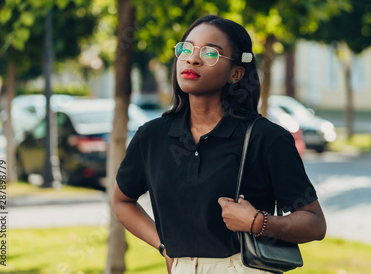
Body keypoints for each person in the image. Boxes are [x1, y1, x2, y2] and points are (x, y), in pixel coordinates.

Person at [112, 15, 326, 274]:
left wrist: (259, 223)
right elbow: (123, 201)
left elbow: (315, 224)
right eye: (186, 49)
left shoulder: (266, 138)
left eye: (210, 54)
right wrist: (164, 247)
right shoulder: (152, 136)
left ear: (236, 73)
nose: (192, 59)